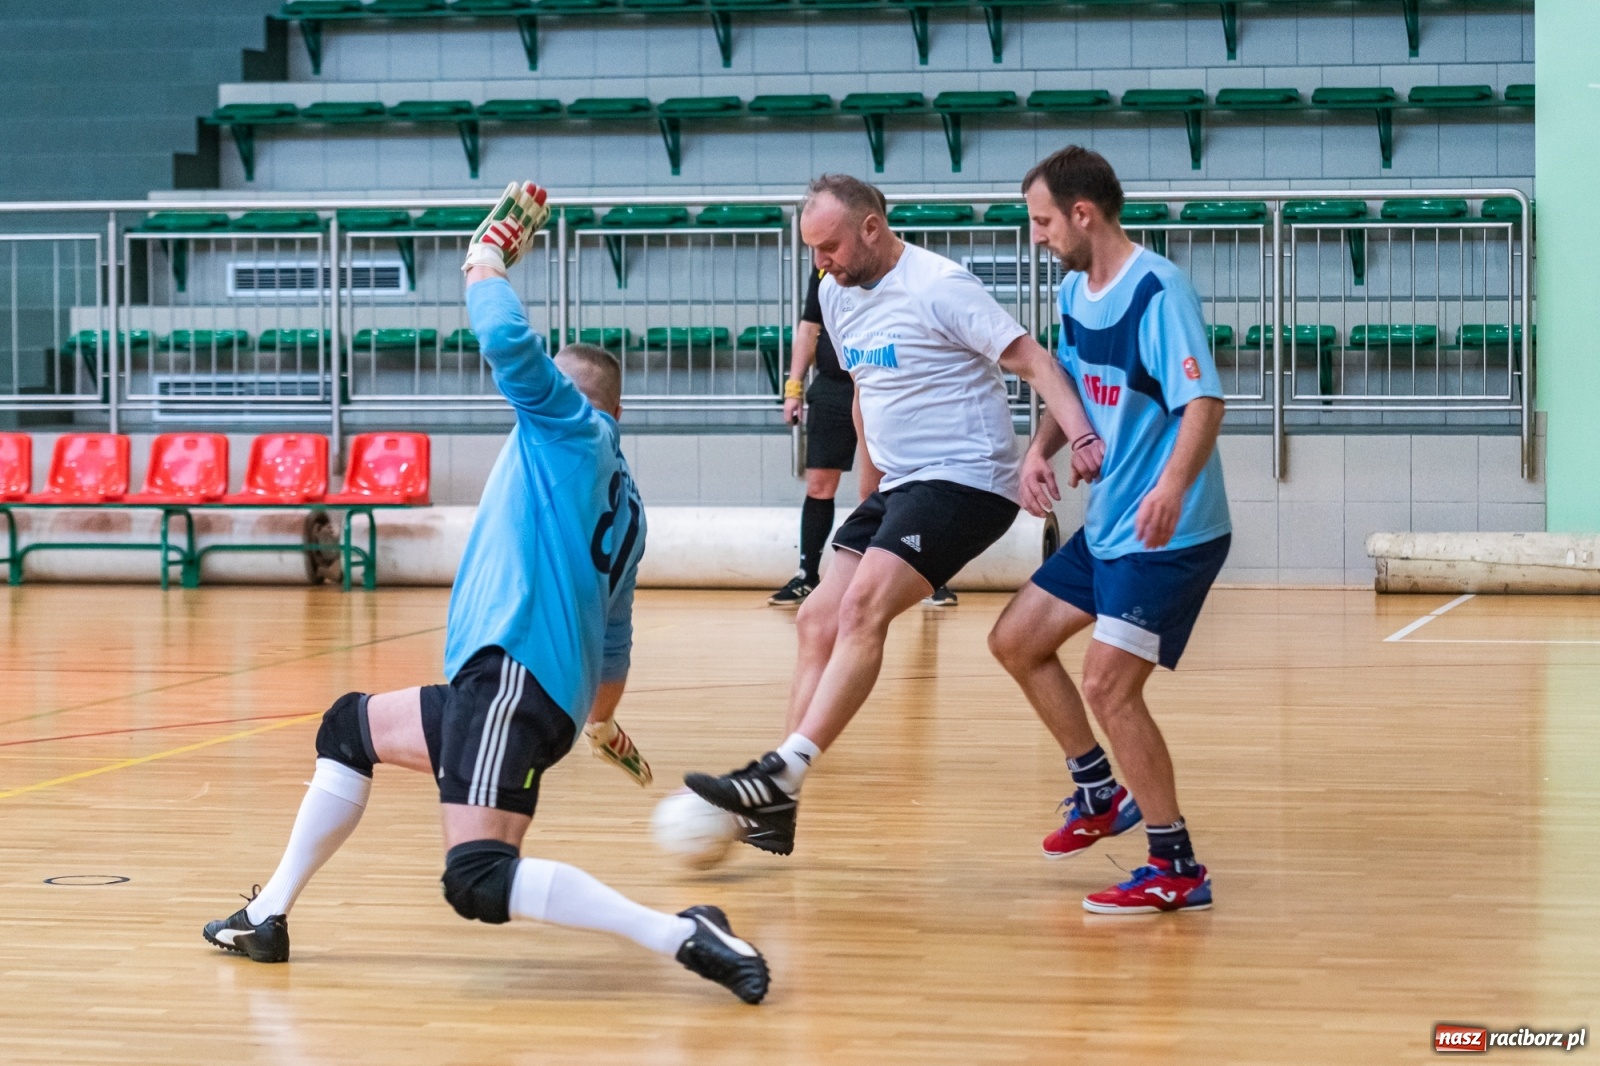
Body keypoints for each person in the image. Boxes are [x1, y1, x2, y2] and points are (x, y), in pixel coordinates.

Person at [201, 181, 769, 1005]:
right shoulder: (627, 501)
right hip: (531, 693)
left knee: (476, 879)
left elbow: (505, 340)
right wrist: (601, 722)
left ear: (583, 400)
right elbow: (614, 645)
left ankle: (684, 932)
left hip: (510, 681)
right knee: (349, 728)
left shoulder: (565, 428)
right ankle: (268, 914)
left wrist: (487, 256)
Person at [684, 174, 1104, 856]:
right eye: (812, 250)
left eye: (829, 246)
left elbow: (1036, 362)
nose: (820, 262)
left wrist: (1076, 436)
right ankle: (779, 797)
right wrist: (869, 497)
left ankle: (780, 770)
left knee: (862, 610)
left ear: (872, 227)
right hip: (901, 485)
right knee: (819, 615)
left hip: (967, 482)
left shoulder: (941, 286)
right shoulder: (834, 293)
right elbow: (861, 396)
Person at [988, 146, 1231, 915]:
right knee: (1016, 641)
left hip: (1169, 531)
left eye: (1043, 221)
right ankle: (1099, 791)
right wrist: (1039, 451)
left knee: (1107, 686)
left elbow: (1205, 405)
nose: (1038, 236)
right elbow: (1077, 393)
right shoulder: (1071, 292)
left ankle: (1176, 867)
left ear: (1083, 213)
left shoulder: (1157, 290)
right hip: (1110, 524)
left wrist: (1168, 487)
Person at [769, 267, 956, 608]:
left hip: (883, 387)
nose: (822, 254)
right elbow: (810, 327)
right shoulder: (825, 276)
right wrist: (793, 386)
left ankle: (928, 578)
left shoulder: (898, 271)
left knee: (888, 487)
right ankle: (807, 574)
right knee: (819, 484)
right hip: (833, 390)